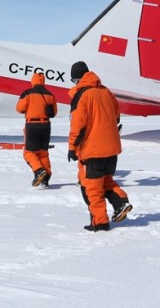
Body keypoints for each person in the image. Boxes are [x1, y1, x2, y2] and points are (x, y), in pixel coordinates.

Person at [67, 61, 132, 231]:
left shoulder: (81, 95)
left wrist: (72, 148)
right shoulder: (106, 91)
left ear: (77, 78)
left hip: (92, 150)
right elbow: (117, 115)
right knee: (105, 181)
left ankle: (100, 222)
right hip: (111, 148)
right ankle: (121, 201)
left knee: (91, 187)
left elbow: (77, 125)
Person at [16, 72, 57, 188]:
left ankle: (39, 171)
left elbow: (19, 108)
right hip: (46, 126)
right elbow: (54, 113)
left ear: (33, 81)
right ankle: (46, 177)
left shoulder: (28, 93)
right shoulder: (50, 95)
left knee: (29, 153)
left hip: (32, 125)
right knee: (43, 153)